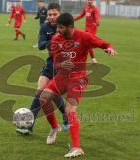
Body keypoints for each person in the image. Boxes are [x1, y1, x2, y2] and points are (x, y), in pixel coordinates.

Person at [39, 13, 117, 158]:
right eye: (57, 27)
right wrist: (61, 64)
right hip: (62, 76)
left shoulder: (84, 36)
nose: (58, 30)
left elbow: (104, 44)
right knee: (43, 98)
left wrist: (110, 48)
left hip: (78, 78)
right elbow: (55, 62)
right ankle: (55, 128)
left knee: (69, 109)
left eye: (61, 27)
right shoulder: (56, 39)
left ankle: (76, 147)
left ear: (70, 27)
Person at [16, 3, 68, 137]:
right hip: (51, 63)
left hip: (65, 65)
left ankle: (65, 113)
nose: (51, 17)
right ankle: (28, 125)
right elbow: (40, 45)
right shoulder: (45, 27)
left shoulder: (67, 26)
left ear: (60, 14)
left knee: (55, 96)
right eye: (49, 14)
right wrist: (52, 41)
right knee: (40, 91)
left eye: (54, 14)